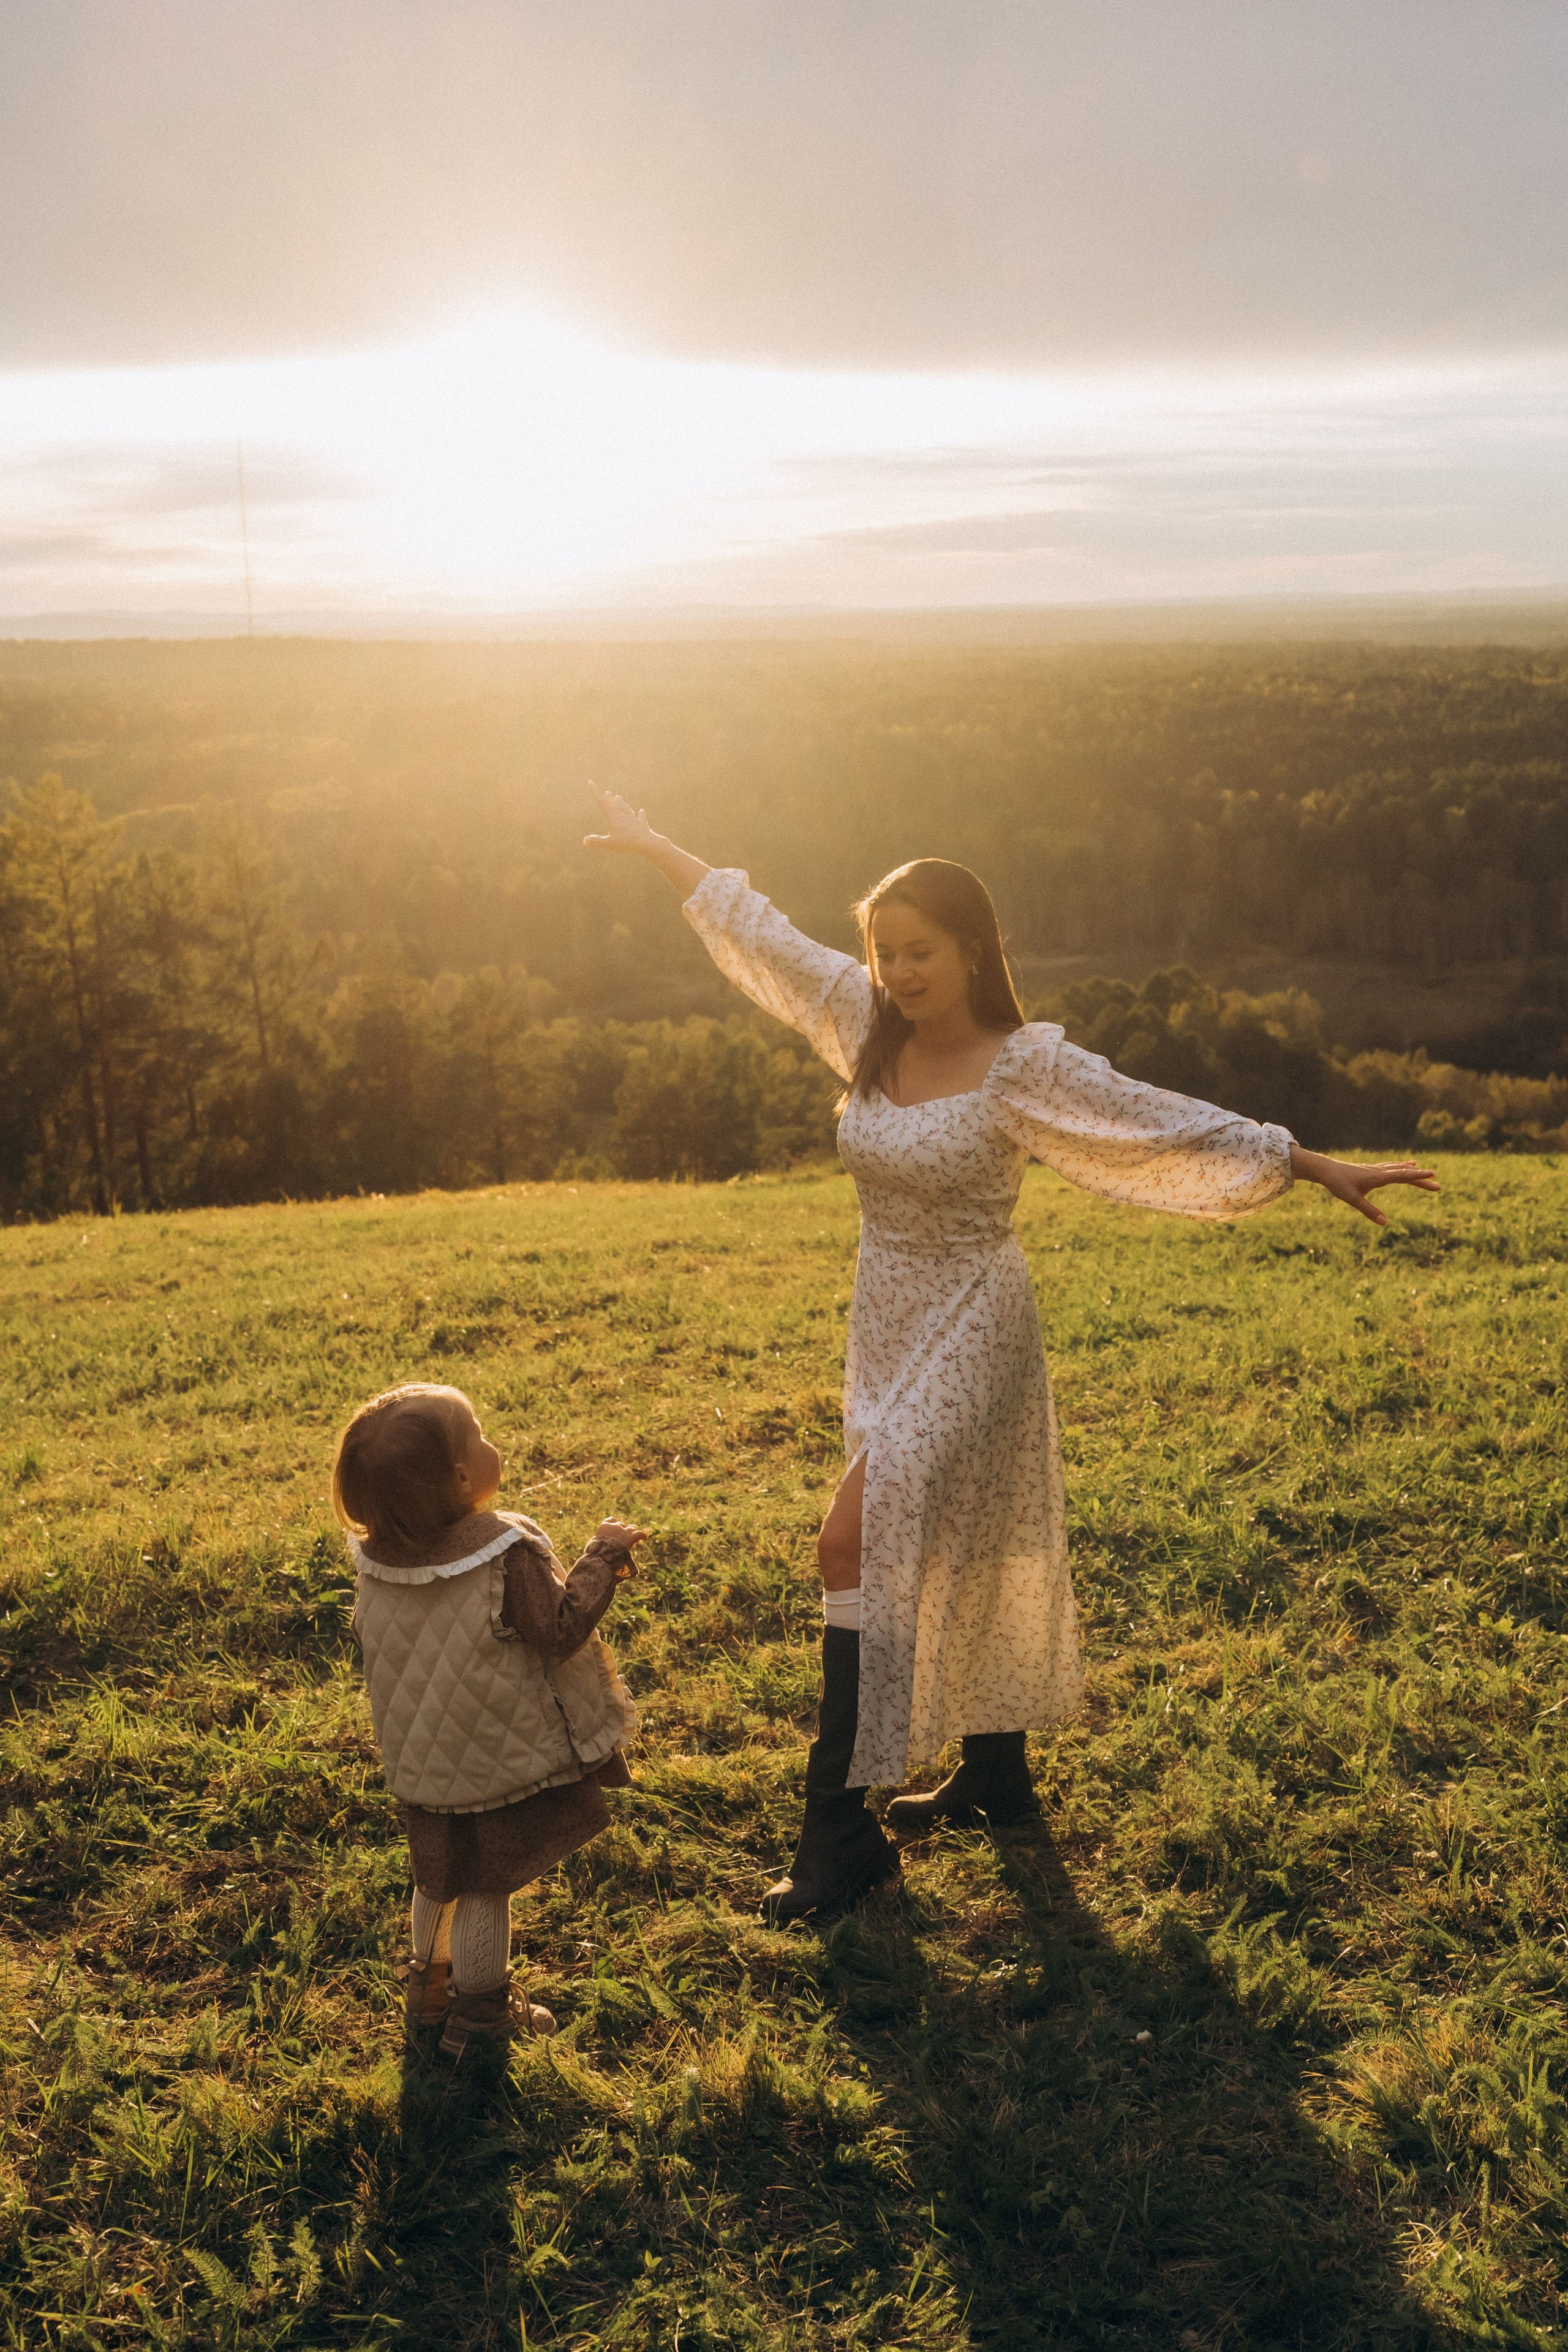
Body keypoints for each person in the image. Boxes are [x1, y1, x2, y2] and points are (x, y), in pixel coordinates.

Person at [585, 786, 1438, 1923]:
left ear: (977, 949)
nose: (897, 972)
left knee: (852, 1534)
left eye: (921, 952)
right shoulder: (860, 1019)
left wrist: (1311, 1164)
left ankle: (840, 1839)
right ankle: (997, 1776)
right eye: (885, 951)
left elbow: (1160, 1117)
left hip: (978, 1317)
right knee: (974, 1525)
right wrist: (654, 848)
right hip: (885, 1316)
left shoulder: (1022, 1063)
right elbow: (761, 933)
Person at [334, 1381, 643, 2054]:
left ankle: (429, 1989)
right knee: (487, 1886)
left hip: (423, 1758)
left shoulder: (377, 1559)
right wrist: (603, 1557)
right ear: (463, 1475)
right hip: (496, 1759)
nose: (491, 1442)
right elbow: (558, 1630)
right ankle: (479, 2020)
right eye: (479, 1435)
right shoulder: (501, 1554)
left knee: (437, 1874)